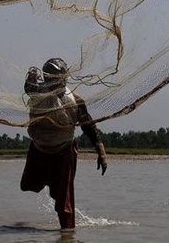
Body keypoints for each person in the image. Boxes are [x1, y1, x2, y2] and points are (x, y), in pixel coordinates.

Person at [20, 58, 108, 230]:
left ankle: (67, 235)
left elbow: (88, 126)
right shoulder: (38, 95)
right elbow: (29, 88)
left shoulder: (74, 99)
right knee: (27, 185)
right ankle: (53, 184)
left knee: (64, 202)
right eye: (49, 76)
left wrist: (101, 152)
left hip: (64, 151)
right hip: (39, 148)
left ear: (63, 77)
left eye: (56, 76)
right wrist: (31, 76)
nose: (52, 80)